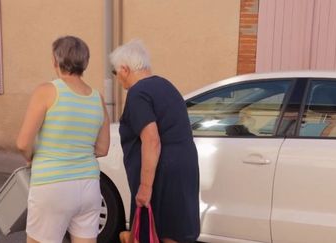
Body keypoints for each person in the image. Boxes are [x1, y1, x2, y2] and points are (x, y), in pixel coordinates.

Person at [16, 36, 110, 243]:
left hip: (52, 184)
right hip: (89, 185)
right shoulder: (97, 98)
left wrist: (31, 157)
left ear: (55, 61)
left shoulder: (47, 91)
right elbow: (103, 149)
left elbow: (23, 143)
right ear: (85, 62)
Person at [110, 39, 200, 243]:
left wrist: (145, 186)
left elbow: (151, 140)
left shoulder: (138, 93)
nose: (118, 79)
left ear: (124, 69)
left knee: (155, 231)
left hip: (161, 173)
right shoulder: (166, 86)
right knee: (173, 231)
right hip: (184, 167)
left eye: (116, 73)